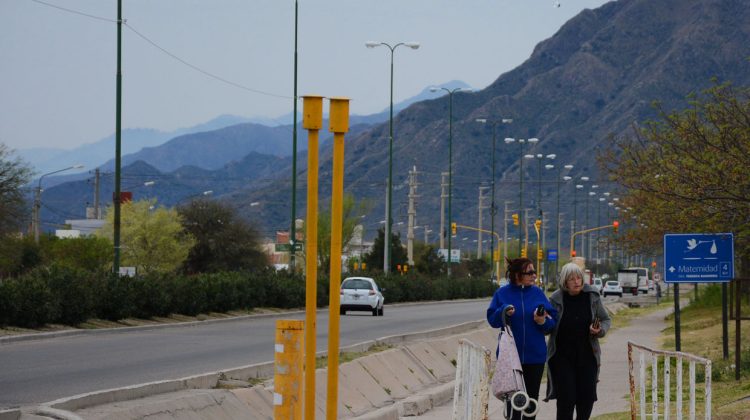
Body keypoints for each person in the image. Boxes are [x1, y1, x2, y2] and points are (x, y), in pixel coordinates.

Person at [487, 257, 556, 419]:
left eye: (534, 272)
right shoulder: (502, 294)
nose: (534, 275)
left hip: (535, 357)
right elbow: (492, 320)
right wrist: (503, 310)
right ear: (517, 275)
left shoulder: (538, 293)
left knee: (530, 403)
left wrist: (542, 321)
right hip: (511, 359)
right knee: (513, 404)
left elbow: (552, 323)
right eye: (530, 272)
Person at [544, 262, 611, 420]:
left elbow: (606, 319)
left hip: (587, 356)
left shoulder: (592, 296)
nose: (577, 282)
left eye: (579, 278)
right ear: (564, 282)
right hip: (562, 357)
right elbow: (548, 328)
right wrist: (542, 321)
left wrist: (599, 330)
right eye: (572, 279)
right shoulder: (555, 299)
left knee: (586, 398)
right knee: (566, 399)